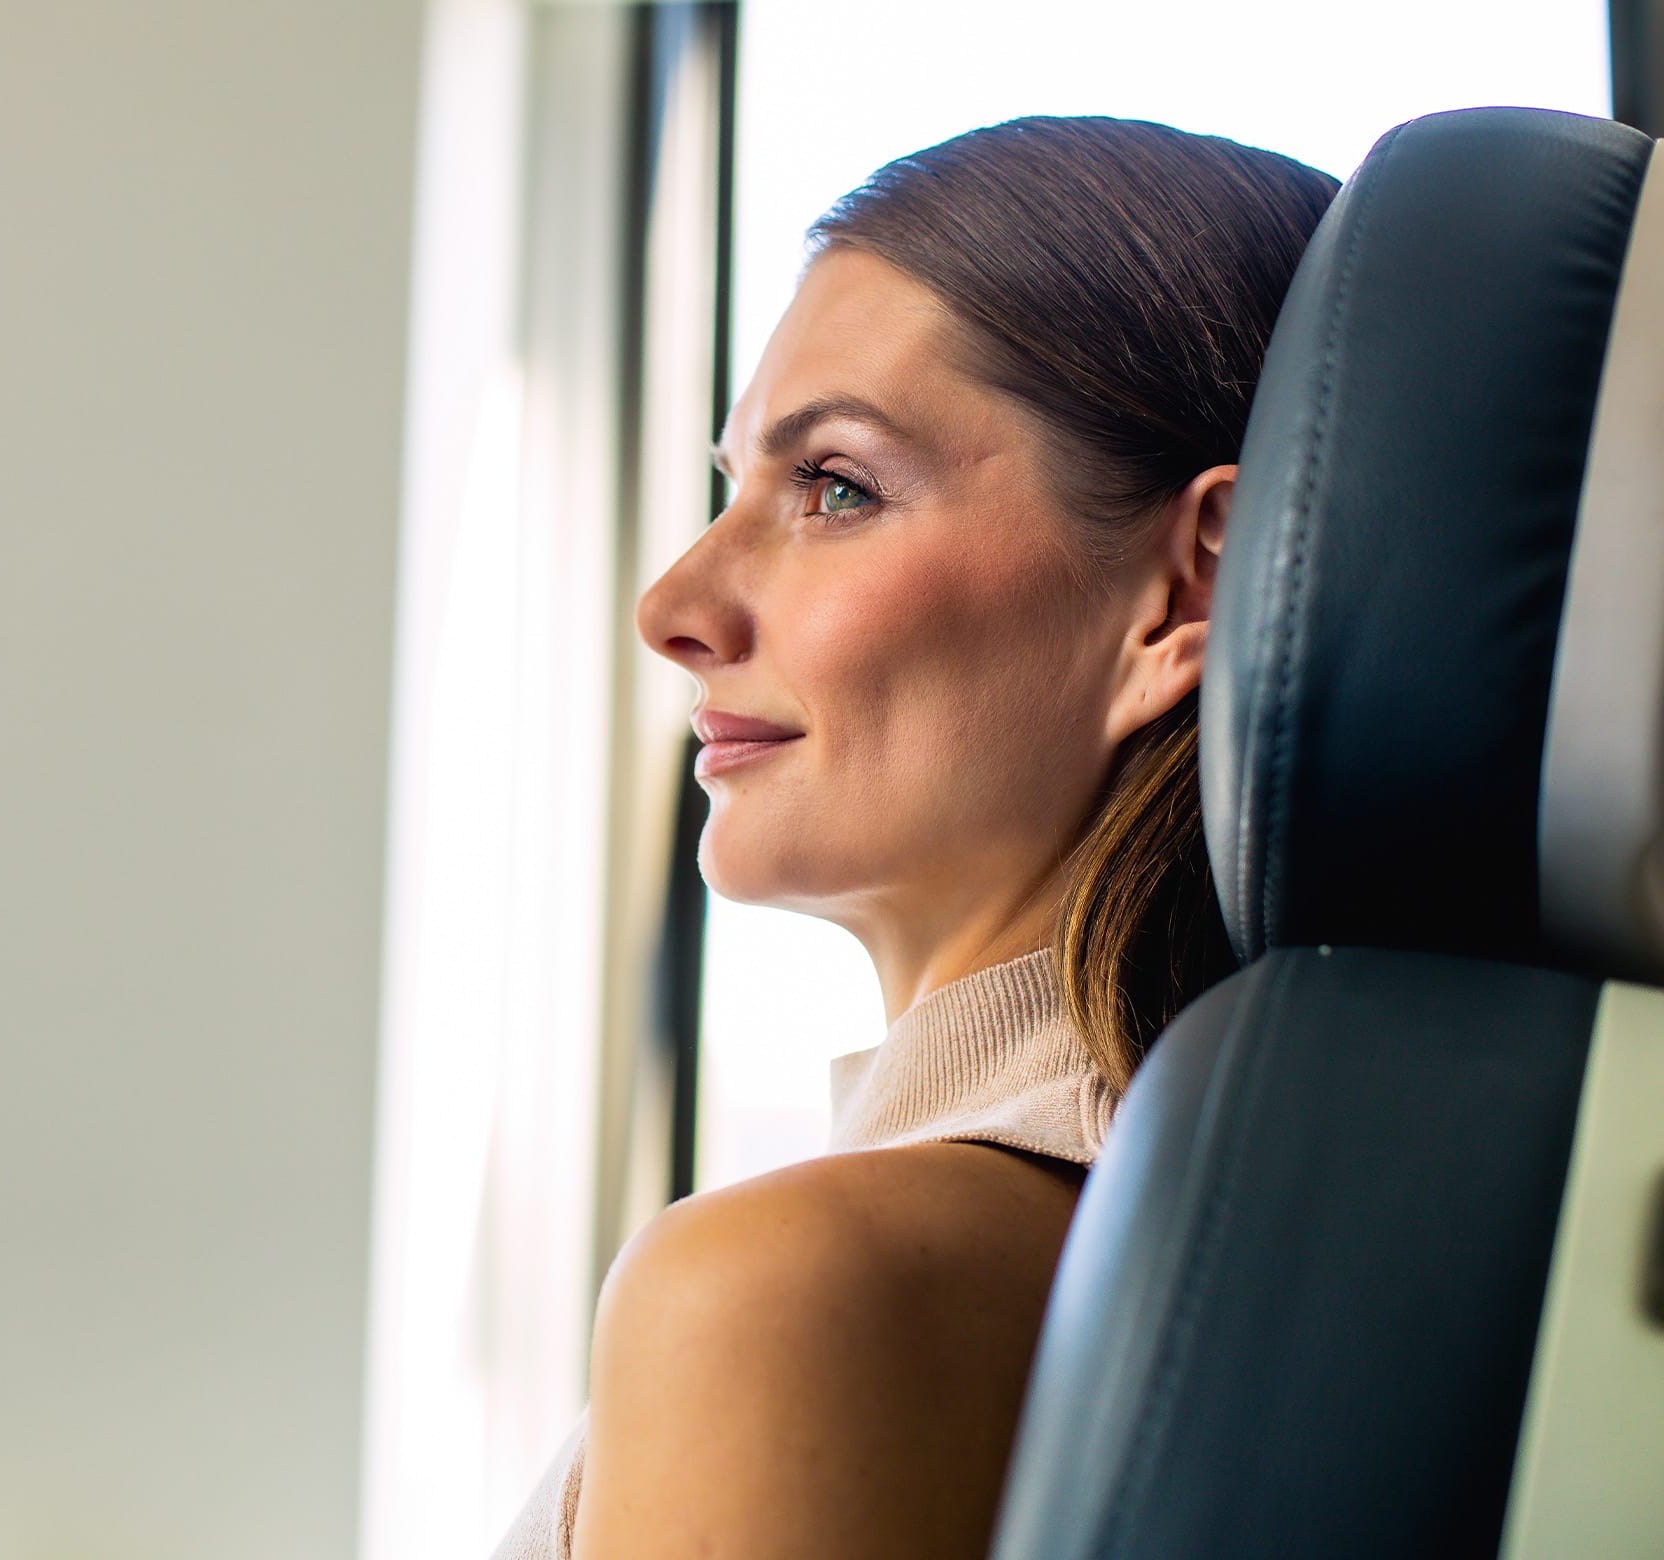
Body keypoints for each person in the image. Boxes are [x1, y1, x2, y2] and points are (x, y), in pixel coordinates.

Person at [492, 115, 1340, 1560]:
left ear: (1191, 590)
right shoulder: (1295, 1213)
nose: (674, 606)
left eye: (836, 488)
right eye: (732, 486)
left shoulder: (783, 1289)